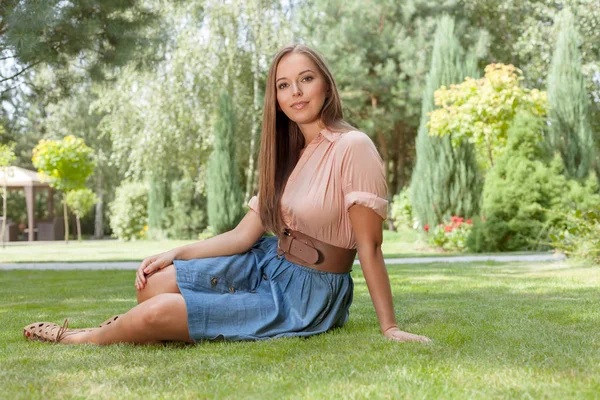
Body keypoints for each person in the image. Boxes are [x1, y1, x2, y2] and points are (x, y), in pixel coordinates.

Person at [23, 44, 431, 345]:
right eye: (284, 85)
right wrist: (176, 252)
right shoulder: (288, 155)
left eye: (306, 79)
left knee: (161, 310)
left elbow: (370, 247)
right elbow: (242, 236)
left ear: (326, 83)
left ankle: (83, 337)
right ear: (276, 98)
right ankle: (149, 322)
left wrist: (389, 327)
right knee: (152, 285)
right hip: (269, 260)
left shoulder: (353, 146)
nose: (297, 92)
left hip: (309, 291)